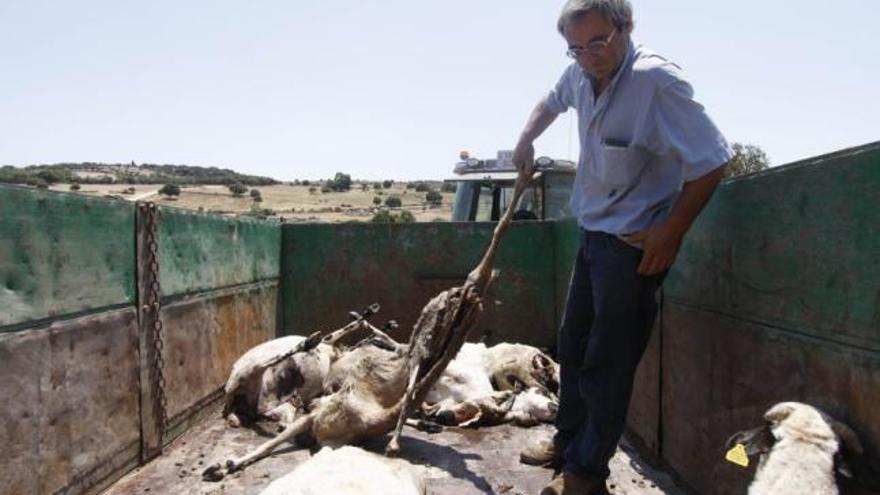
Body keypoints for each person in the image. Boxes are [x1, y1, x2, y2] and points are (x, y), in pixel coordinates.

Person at [511, 1, 733, 494]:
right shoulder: (580, 72)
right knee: (573, 345)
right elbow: (551, 99)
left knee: (607, 358)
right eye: (576, 48)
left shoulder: (657, 82)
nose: (588, 56)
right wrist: (525, 138)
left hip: (633, 245)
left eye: (598, 43)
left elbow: (713, 159)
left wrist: (671, 231)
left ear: (626, 27)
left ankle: (586, 473)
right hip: (592, 236)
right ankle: (569, 443)